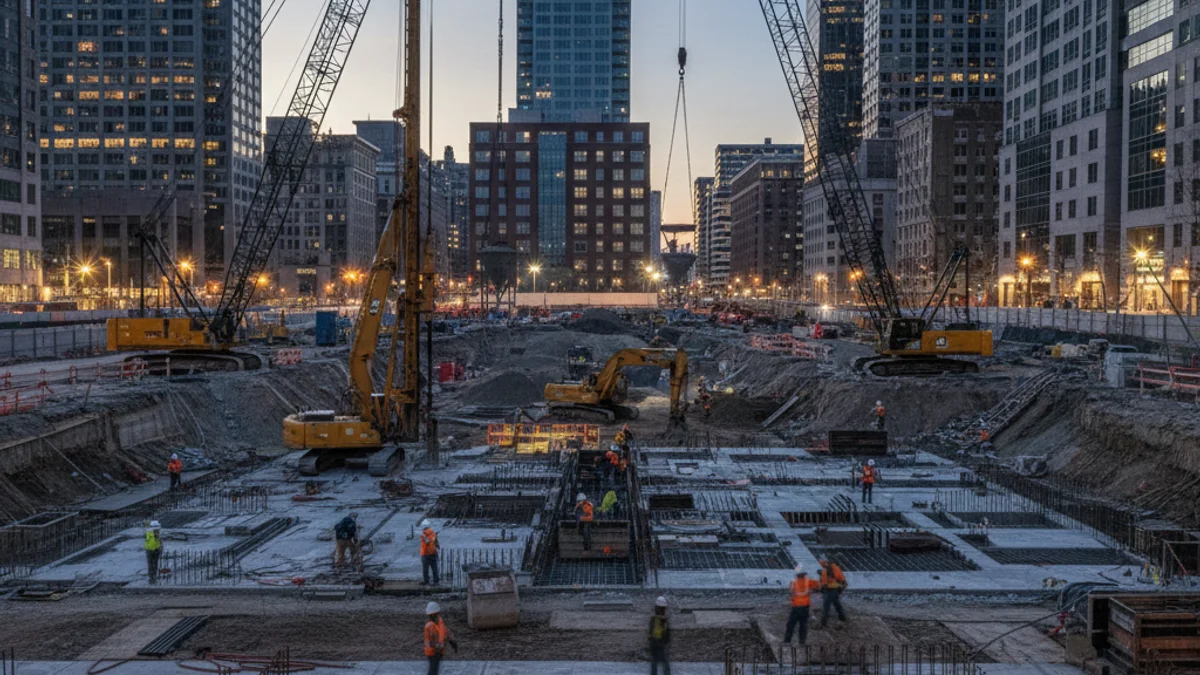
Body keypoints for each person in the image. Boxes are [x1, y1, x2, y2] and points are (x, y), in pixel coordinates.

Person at [783, 565, 821, 647]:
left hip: (796, 607)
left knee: (790, 625)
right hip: (804, 607)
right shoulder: (809, 581)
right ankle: (802, 642)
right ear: (804, 574)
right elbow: (819, 586)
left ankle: (787, 641)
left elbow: (791, 593)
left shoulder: (793, 582)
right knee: (803, 625)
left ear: (797, 574)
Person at [423, 601, 456, 675]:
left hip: (435, 653)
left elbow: (445, 632)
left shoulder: (436, 624)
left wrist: (452, 641)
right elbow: (429, 642)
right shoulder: (434, 624)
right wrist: (452, 642)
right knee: (433, 670)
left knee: (434, 670)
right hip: (434, 653)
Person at [818, 557, 848, 627]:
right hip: (836, 589)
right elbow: (843, 579)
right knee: (837, 604)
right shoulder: (836, 567)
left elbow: (824, 584)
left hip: (829, 591)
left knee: (826, 607)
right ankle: (842, 617)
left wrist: (821, 589)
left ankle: (823, 622)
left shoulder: (825, 571)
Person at [648, 596, 672, 675]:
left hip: (654, 641)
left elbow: (650, 630)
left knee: (654, 662)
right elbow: (666, 632)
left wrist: (649, 639)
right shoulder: (665, 619)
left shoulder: (653, 618)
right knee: (665, 662)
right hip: (662, 642)